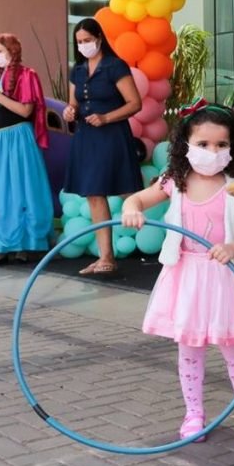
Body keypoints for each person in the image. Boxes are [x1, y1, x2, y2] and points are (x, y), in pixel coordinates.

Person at [121, 100, 234, 442]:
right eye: (203, 144)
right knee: (190, 351)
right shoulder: (173, 182)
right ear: (185, 145)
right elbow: (137, 200)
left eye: (221, 145)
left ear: (232, 148)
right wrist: (131, 208)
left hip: (226, 278)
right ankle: (194, 414)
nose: (212, 151)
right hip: (186, 279)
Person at [63, 18, 143, 275]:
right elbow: (73, 103)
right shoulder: (78, 69)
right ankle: (106, 257)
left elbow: (135, 103)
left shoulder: (114, 66)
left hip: (111, 135)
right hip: (86, 136)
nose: (84, 45)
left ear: (99, 37)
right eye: (79, 42)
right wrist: (69, 111)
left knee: (124, 191)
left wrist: (106, 117)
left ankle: (172, 237)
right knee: (94, 194)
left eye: (87, 40)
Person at [0, 33, 54, 267]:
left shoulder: (28, 75)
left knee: (19, 189)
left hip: (17, 137)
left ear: (13, 51)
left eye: (0, 51)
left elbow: (26, 111)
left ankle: (23, 247)